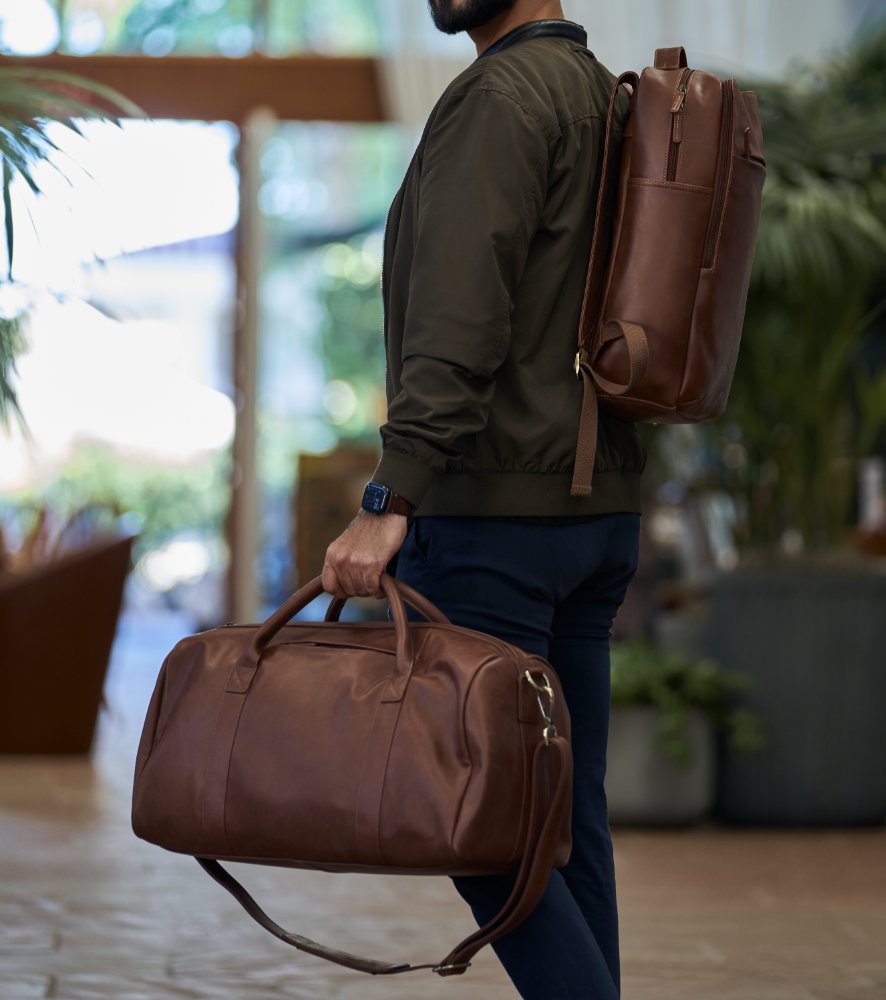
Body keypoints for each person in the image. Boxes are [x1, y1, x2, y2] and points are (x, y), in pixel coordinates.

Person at [321, 1, 646, 997]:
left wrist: (392, 493)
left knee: (478, 824)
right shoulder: (609, 97)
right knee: (561, 823)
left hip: (497, 519)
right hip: (592, 512)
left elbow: (460, 319)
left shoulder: (501, 95)